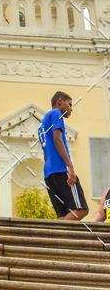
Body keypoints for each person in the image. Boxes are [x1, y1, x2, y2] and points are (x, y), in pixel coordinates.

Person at [37, 91, 88, 221]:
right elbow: (57, 139)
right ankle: (53, 236)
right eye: (69, 104)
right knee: (81, 209)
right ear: (60, 102)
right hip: (60, 170)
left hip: (49, 174)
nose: (71, 109)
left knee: (63, 215)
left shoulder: (42, 123)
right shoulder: (56, 113)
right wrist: (70, 167)